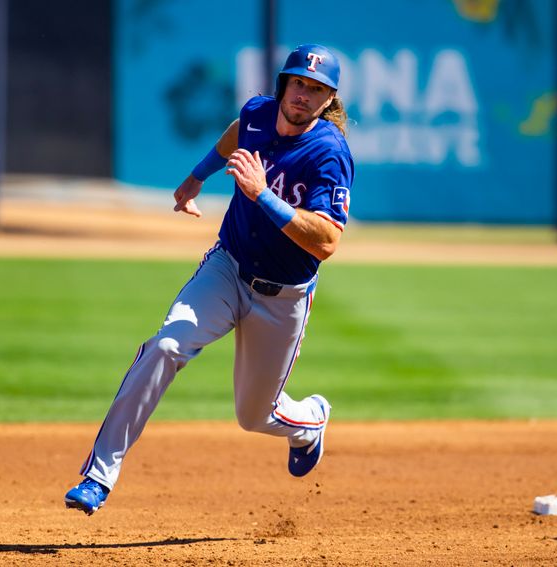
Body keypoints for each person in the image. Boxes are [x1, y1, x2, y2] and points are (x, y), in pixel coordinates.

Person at [64, 44, 354, 515]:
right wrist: (197, 176)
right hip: (227, 267)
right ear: (285, 83)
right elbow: (237, 133)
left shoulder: (329, 154)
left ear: (329, 100)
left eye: (316, 88)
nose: (303, 94)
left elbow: (326, 241)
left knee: (254, 416)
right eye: (299, 82)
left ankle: (310, 423)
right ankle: (99, 475)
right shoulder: (259, 113)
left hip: (282, 298)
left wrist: (262, 195)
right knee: (164, 346)